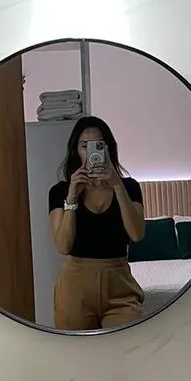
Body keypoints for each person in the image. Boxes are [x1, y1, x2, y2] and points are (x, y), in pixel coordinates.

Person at [48, 117, 146, 331]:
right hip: (75, 286)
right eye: (85, 146)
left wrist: (117, 185)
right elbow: (63, 246)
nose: (92, 152)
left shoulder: (129, 187)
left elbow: (137, 234)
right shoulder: (60, 191)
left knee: (128, 346)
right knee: (78, 350)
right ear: (76, 151)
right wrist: (72, 197)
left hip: (119, 285)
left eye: (98, 145)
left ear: (108, 149)